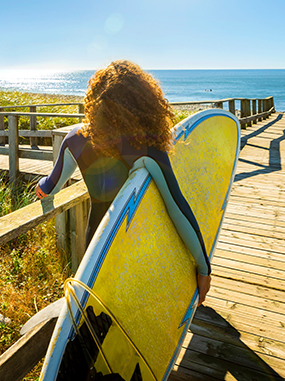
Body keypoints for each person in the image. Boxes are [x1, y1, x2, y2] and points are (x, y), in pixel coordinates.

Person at [35, 60, 211, 304]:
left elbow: (49, 186)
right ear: (143, 102)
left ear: (94, 102)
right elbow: (177, 207)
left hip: (94, 247)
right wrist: (204, 268)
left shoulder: (74, 139)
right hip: (133, 247)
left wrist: (41, 187)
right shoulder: (147, 149)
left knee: (95, 308)